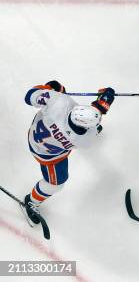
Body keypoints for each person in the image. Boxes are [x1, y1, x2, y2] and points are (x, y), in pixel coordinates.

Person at [23, 81, 115, 224]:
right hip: (48, 155)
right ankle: (31, 201)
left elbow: (29, 96)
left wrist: (50, 90)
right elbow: (93, 128)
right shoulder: (85, 140)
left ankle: (33, 200)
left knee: (56, 85)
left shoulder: (59, 101)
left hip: (35, 134)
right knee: (56, 184)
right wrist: (101, 106)